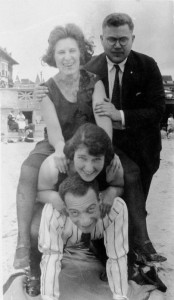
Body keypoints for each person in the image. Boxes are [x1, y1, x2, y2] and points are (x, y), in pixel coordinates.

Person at [35, 13, 166, 264]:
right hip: (100, 143)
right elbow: (67, 86)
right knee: (105, 187)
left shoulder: (147, 65)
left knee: (134, 189)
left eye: (123, 40)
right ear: (102, 39)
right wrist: (41, 90)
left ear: (133, 38)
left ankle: (138, 242)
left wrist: (121, 114)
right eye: (112, 39)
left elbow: (158, 109)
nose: (117, 45)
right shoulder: (90, 68)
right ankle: (114, 246)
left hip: (140, 144)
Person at [13, 23, 116, 271]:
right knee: (28, 169)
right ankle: (23, 243)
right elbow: (54, 131)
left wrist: (105, 151)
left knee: (119, 172)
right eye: (61, 52)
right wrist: (60, 149)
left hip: (88, 143)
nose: (67, 58)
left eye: (72, 51)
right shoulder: (46, 88)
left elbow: (103, 124)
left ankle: (129, 244)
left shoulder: (95, 82)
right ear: (53, 56)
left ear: (81, 53)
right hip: (56, 143)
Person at [26, 123, 124, 296]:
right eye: (83, 158)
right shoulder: (55, 165)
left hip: (93, 214)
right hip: (61, 213)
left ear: (105, 157)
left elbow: (119, 185)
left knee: (114, 221)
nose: (88, 168)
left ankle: (100, 252)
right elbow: (39, 192)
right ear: (71, 154)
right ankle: (35, 272)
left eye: (96, 159)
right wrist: (53, 197)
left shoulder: (111, 165)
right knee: (35, 229)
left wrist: (112, 191)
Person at [39, 173, 128, 300]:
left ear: (100, 199)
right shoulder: (53, 212)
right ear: (64, 207)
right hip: (63, 239)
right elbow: (50, 257)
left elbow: (118, 255)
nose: (85, 221)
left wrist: (120, 296)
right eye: (74, 212)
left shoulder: (116, 208)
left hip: (98, 238)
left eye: (91, 209)